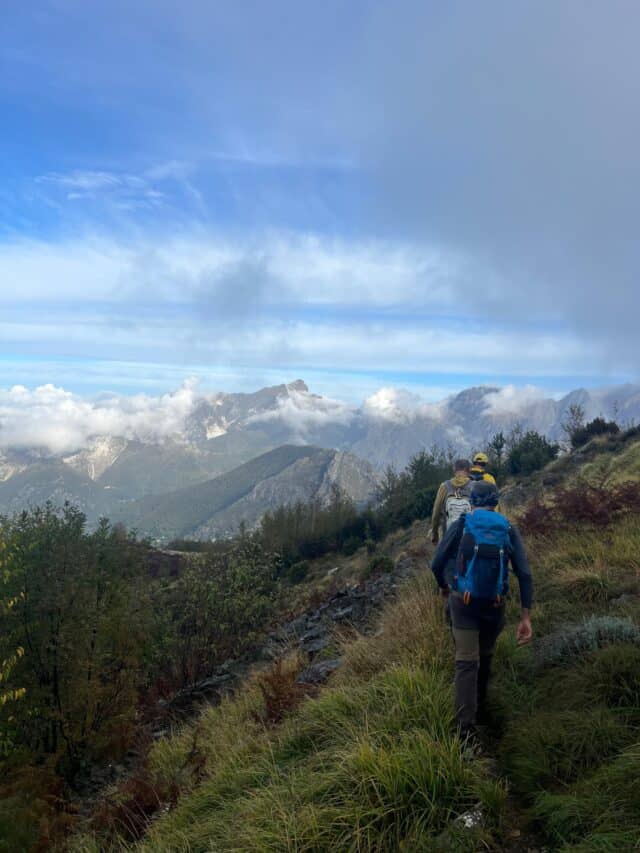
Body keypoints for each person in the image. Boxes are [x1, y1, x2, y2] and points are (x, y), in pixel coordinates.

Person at [431, 481, 533, 740]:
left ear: (471, 502)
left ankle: (466, 732)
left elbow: (436, 563)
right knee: (485, 657)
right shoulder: (507, 528)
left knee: (466, 663)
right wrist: (525, 616)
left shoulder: (462, 524)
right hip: (494, 604)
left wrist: (444, 586)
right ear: (496, 502)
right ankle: (483, 709)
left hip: (462, 603)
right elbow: (524, 573)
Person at [430, 459, 472, 545]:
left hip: (448, 536)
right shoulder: (474, 486)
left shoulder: (444, 486)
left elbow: (436, 512)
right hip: (468, 538)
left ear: (454, 470)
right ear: (468, 471)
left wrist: (434, 534)